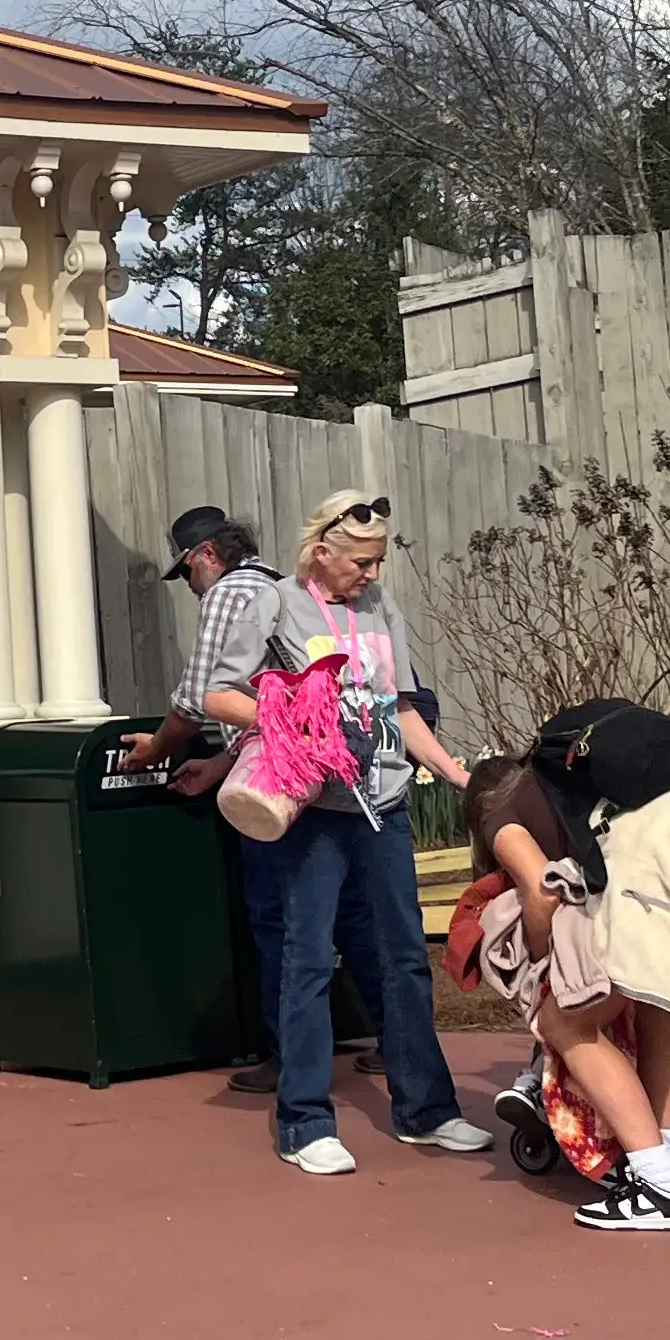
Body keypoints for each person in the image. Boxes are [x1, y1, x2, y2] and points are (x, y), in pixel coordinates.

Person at [257, 492, 486, 1172]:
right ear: (322, 552)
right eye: (361, 561)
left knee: (405, 956)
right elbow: (224, 693)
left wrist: (453, 772)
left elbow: (401, 704)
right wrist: (289, 720)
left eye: (378, 561)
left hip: (383, 803)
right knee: (307, 959)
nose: (371, 574)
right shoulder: (278, 605)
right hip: (314, 810)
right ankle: (304, 1123)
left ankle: (427, 1109)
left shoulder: (381, 608)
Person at [456, 756, 670, 1231]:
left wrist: (538, 948)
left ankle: (661, 1187)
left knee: (563, 1020)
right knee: (656, 1008)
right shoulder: (576, 790)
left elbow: (542, 891)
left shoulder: (500, 810)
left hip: (619, 923)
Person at [117, 506, 276, 1093]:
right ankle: (389, 1046)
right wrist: (216, 765)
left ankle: (284, 1053)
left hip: (270, 782)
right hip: (301, 770)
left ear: (205, 555)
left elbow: (197, 696)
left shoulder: (228, 594)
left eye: (185, 574)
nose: (190, 587)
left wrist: (155, 748)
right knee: (343, 915)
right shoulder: (281, 587)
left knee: (274, 916)